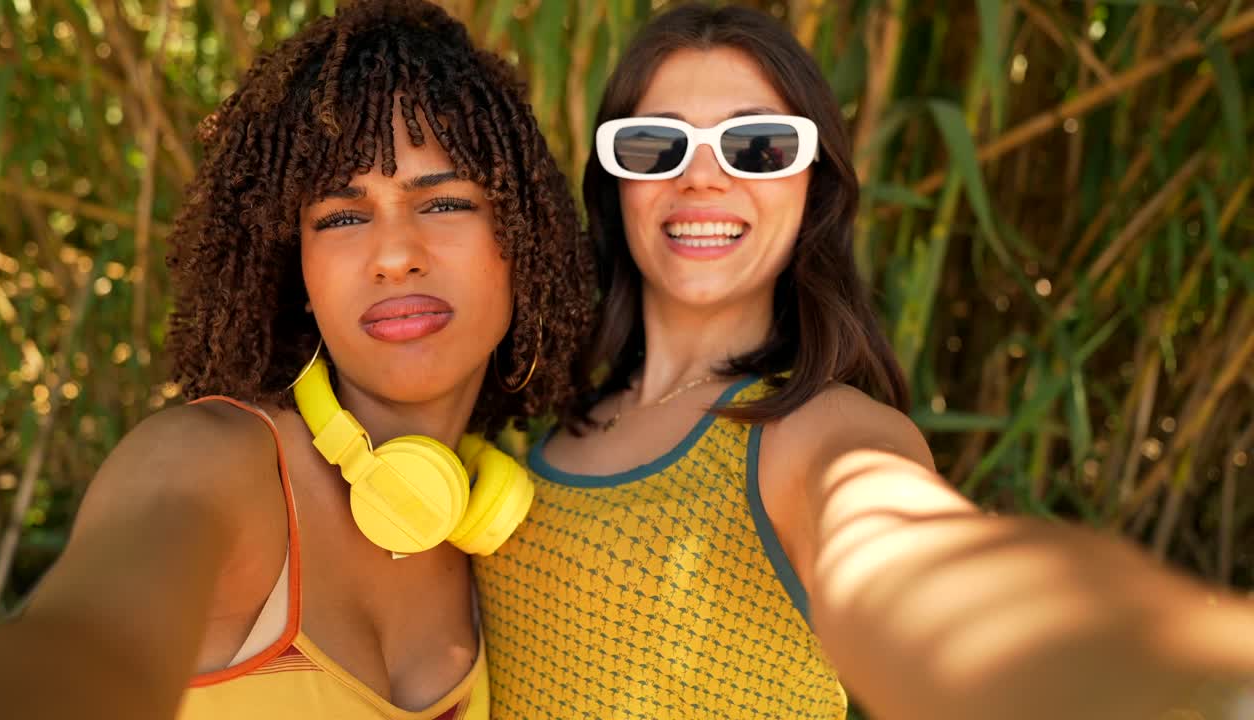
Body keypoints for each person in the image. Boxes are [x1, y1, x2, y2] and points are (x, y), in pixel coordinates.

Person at [473, 5, 1254, 720]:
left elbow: (911, 559)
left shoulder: (812, 430)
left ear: (811, 185)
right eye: (656, 143)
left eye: (758, 145)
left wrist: (1165, 680)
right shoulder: (537, 420)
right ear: (616, 184)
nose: (702, 175)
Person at [0, 2, 594, 719]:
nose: (395, 256)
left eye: (445, 203)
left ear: (525, 237)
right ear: (292, 267)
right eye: (341, 217)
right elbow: (71, 657)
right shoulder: (208, 463)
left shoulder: (493, 535)